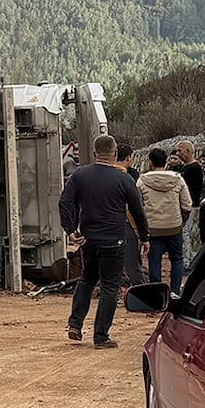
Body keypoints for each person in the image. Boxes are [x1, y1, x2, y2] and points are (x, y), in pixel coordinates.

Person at [59, 135, 149, 349]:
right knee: (110, 286)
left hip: (88, 239)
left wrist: (70, 230)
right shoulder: (125, 179)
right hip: (114, 240)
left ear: (94, 151)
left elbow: (65, 202)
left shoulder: (80, 175)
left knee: (87, 279)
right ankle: (100, 336)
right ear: (115, 152)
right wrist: (144, 237)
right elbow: (138, 210)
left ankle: (75, 323)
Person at [137, 148, 192, 292]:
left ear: (150, 162)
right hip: (174, 226)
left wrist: (141, 228)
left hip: (153, 228)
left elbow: (137, 206)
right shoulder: (178, 179)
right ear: (166, 161)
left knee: (154, 261)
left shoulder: (142, 181)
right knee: (177, 259)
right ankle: (174, 292)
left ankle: (157, 294)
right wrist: (181, 221)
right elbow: (187, 205)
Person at [112, 144, 144, 286]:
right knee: (132, 262)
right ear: (128, 158)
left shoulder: (99, 175)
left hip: (100, 226)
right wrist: (140, 232)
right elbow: (133, 208)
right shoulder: (128, 178)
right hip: (124, 224)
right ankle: (140, 293)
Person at [174, 140, 204, 257]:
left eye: (180, 150)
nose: (178, 153)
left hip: (190, 205)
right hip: (186, 204)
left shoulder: (194, 168)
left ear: (187, 151)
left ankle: (186, 260)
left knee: (186, 233)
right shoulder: (185, 167)